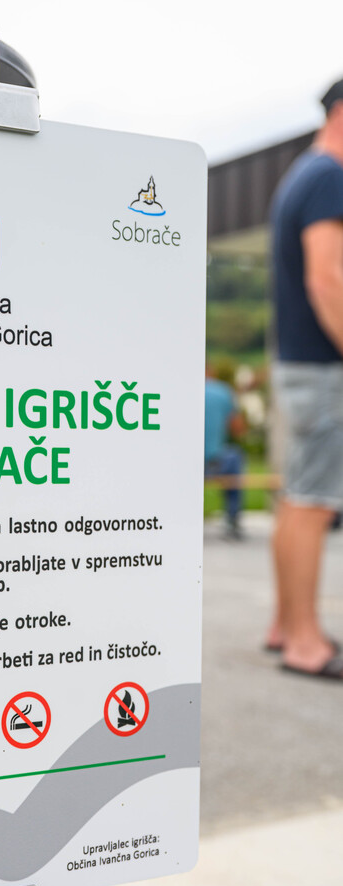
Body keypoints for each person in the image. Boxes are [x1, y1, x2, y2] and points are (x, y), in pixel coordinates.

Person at [266, 77, 343, 680]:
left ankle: (284, 624)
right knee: (313, 503)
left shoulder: (301, 175)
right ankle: (305, 643)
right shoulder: (329, 177)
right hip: (322, 366)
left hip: (298, 362)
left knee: (297, 498)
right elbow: (327, 278)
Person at [204, 364, 246, 538]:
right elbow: (238, 429)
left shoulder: (180, 389)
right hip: (215, 462)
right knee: (235, 456)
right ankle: (232, 520)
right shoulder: (222, 392)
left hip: (183, 463)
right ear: (210, 371)